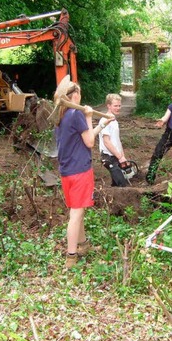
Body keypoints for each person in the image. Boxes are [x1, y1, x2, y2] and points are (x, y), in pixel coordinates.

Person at [55, 80, 109, 268]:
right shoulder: (76, 114)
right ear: (75, 95)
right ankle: (71, 256)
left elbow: (87, 136)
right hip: (79, 171)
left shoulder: (61, 115)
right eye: (79, 91)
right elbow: (90, 143)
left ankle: (83, 245)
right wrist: (88, 116)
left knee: (77, 210)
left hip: (67, 171)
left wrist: (101, 124)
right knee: (76, 215)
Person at [99, 93, 128, 187]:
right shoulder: (105, 120)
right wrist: (119, 157)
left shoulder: (114, 120)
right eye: (115, 106)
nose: (118, 108)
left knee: (116, 183)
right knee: (122, 184)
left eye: (119, 105)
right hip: (108, 156)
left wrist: (122, 155)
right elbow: (106, 141)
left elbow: (117, 140)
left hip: (115, 155)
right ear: (108, 106)